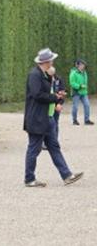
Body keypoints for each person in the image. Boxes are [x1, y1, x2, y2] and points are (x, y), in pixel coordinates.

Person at [23, 48, 83, 187]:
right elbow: (37, 95)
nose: (53, 62)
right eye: (51, 60)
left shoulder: (43, 74)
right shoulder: (34, 75)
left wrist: (56, 93)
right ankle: (29, 179)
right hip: (37, 118)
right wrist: (55, 97)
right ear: (47, 61)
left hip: (47, 118)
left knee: (54, 147)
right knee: (34, 149)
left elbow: (45, 92)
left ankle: (67, 175)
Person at [69, 59, 94, 125]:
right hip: (76, 92)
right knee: (75, 107)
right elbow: (72, 83)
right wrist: (79, 86)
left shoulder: (84, 73)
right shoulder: (73, 73)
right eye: (82, 65)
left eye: (84, 65)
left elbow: (85, 83)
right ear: (77, 65)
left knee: (87, 105)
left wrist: (86, 90)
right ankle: (74, 120)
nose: (83, 66)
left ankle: (87, 120)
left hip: (84, 93)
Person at [47, 66, 65, 138]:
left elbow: (62, 93)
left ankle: (54, 140)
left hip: (56, 105)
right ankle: (44, 142)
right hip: (47, 105)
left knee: (55, 123)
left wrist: (60, 104)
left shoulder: (59, 80)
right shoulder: (43, 80)